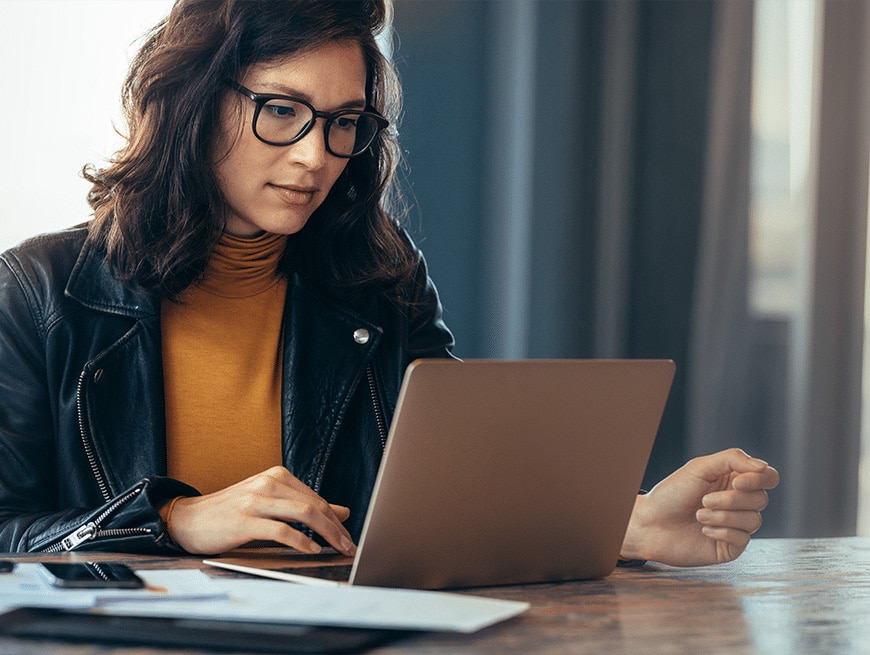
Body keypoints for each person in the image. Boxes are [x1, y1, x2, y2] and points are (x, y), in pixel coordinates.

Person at [0, 0, 778, 566]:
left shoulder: (380, 280)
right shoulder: (39, 292)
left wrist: (629, 523)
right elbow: (7, 529)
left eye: (345, 122)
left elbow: (453, 495)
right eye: (281, 110)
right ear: (193, 102)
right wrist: (174, 518)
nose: (316, 156)